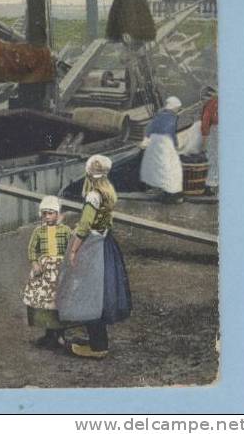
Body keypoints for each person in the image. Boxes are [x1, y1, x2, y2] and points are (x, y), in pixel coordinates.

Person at [66, 154, 132, 359]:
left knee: (89, 294)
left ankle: (98, 346)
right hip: (106, 244)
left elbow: (84, 226)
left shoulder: (93, 196)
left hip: (92, 247)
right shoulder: (109, 192)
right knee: (101, 293)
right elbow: (105, 222)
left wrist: (74, 249)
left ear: (89, 174)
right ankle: (98, 341)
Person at [22, 195, 73, 349]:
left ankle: (61, 334)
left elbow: (71, 248)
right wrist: (34, 263)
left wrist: (69, 264)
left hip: (60, 270)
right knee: (45, 301)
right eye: (44, 213)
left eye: (51, 213)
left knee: (59, 301)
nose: (47, 216)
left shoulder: (65, 230)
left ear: (57, 214)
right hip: (44, 271)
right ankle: (48, 333)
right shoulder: (38, 231)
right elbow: (32, 249)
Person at [139, 96, 183, 203]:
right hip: (165, 143)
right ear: (174, 107)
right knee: (171, 167)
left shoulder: (159, 114)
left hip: (154, 142)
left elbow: (149, 128)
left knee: (159, 167)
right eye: (177, 108)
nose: (178, 110)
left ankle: (163, 191)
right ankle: (172, 194)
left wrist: (146, 139)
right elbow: (171, 132)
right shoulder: (172, 117)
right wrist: (176, 145)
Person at [200, 86, 218, 195]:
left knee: (211, 158)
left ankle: (210, 186)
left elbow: (205, 125)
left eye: (202, 99)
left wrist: (204, 142)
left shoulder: (209, 106)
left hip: (215, 132)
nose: (202, 102)